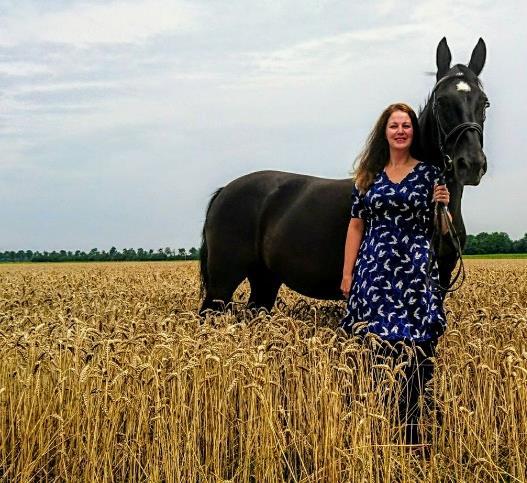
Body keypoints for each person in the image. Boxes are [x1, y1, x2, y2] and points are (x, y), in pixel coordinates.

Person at [339, 102, 451, 446]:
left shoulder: (431, 173)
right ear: (384, 132)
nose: (400, 131)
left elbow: (443, 231)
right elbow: (356, 225)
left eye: (406, 125)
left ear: (412, 132)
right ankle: (377, 423)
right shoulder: (368, 174)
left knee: (416, 347)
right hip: (375, 271)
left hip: (415, 269)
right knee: (376, 347)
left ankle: (412, 423)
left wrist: (443, 206)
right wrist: (348, 274)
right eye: (394, 126)